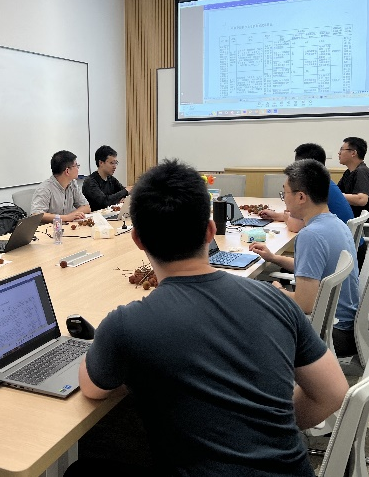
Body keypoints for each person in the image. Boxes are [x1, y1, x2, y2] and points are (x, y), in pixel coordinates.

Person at [77, 160, 348, 476]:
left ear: (137, 240)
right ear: (210, 231)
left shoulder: (126, 325)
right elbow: (332, 392)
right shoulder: (275, 299)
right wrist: (268, 428)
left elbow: (92, 387)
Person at [249, 159, 361, 357]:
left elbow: (305, 304)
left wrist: (277, 292)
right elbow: (315, 268)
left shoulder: (311, 235)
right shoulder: (336, 224)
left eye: (285, 193)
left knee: (250, 305)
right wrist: (274, 258)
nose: (284, 199)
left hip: (328, 333)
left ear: (301, 197)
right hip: (346, 327)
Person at [260, 143, 354, 233]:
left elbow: (296, 226)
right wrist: (276, 216)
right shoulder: (324, 182)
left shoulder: (314, 187)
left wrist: (286, 217)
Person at [31, 150, 90, 223]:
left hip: (68, 226)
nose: (78, 169)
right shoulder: (45, 189)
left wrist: (72, 216)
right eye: (76, 166)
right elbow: (36, 214)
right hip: (51, 228)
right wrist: (66, 217)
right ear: (67, 171)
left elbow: (86, 207)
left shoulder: (72, 184)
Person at [337, 136, 369, 224]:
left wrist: (338, 195)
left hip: (365, 224)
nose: (339, 153)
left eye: (342, 149)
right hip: (356, 221)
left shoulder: (361, 172)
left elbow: (361, 200)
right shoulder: (348, 173)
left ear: (353, 153)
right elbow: (337, 190)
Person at [81, 145, 132, 211]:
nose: (114, 166)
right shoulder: (90, 182)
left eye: (116, 163)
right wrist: (125, 191)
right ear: (101, 163)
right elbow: (104, 202)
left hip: (109, 214)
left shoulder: (111, 179)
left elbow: (122, 192)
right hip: (95, 216)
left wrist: (125, 197)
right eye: (112, 163)